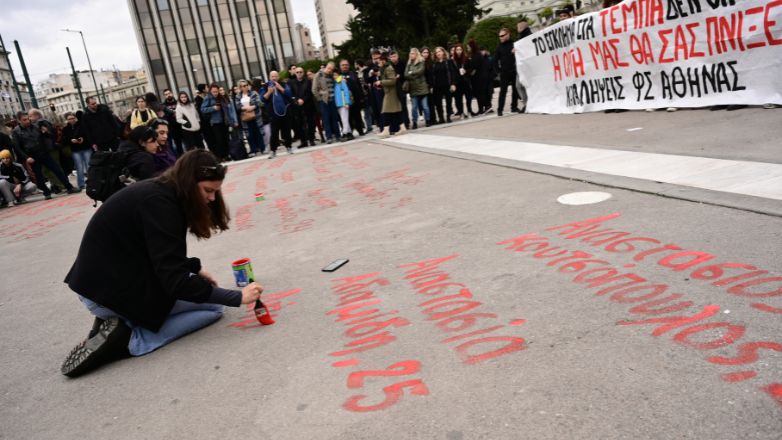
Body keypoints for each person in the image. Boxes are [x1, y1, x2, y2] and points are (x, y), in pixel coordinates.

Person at [60, 149, 264, 377]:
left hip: (103, 286)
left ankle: (119, 322)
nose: (212, 199)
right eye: (208, 190)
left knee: (206, 297)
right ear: (189, 182)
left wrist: (193, 269)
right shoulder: (162, 205)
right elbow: (175, 282)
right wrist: (238, 297)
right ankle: (131, 339)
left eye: (215, 192)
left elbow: (154, 251)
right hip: (108, 294)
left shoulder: (160, 192)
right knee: (214, 307)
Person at [12, 111, 80, 199]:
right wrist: (26, 157)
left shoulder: (36, 126)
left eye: (28, 119)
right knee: (39, 176)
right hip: (32, 156)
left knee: (58, 170)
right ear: (19, 121)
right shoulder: (16, 131)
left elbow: (49, 137)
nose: (28, 121)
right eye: (24, 120)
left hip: (43, 153)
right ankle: (46, 192)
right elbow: (17, 147)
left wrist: (46, 132)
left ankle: (69, 187)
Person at [200, 83, 238, 162]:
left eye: (216, 91)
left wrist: (232, 121)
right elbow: (203, 109)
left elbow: (227, 110)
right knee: (219, 140)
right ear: (210, 91)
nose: (215, 93)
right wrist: (213, 108)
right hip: (215, 122)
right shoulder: (208, 98)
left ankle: (227, 155)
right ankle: (220, 157)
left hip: (224, 122)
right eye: (213, 92)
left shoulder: (222, 98)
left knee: (226, 139)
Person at [264, 71, 294, 158]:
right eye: (272, 76)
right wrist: (269, 92)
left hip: (285, 111)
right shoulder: (266, 86)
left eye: (276, 76)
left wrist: (280, 88)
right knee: (274, 133)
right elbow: (262, 99)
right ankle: (273, 150)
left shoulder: (283, 84)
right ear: (269, 77)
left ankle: (289, 147)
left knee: (287, 131)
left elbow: (289, 94)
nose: (274, 78)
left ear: (278, 77)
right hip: (273, 114)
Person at [375, 53, 404, 137]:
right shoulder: (384, 68)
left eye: (379, 61)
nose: (378, 63)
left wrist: (381, 82)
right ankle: (402, 128)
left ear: (383, 61)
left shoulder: (389, 68)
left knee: (385, 111)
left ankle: (386, 130)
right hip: (389, 92)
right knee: (395, 112)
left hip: (391, 93)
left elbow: (392, 81)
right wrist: (380, 85)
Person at [494, 28, 521, 116]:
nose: (500, 38)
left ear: (508, 34)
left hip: (514, 70)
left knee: (515, 89)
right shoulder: (499, 47)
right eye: (499, 36)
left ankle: (514, 107)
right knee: (503, 91)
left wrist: (516, 52)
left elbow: (521, 54)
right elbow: (495, 61)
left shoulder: (514, 44)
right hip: (504, 72)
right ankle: (500, 109)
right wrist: (498, 72)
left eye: (502, 35)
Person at [312, 62, 342, 144]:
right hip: (324, 101)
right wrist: (320, 99)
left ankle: (338, 136)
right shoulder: (319, 75)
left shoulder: (332, 75)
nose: (330, 70)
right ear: (326, 67)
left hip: (333, 100)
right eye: (329, 68)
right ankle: (329, 137)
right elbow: (314, 89)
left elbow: (337, 83)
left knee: (334, 119)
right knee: (326, 119)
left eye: (331, 69)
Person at [234, 79, 265, 156]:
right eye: (244, 86)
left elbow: (260, 103)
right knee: (249, 135)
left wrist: (253, 107)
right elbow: (237, 106)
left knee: (258, 132)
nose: (246, 87)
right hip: (246, 117)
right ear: (240, 87)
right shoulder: (238, 96)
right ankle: (253, 150)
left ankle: (262, 148)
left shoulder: (253, 93)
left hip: (256, 116)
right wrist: (245, 108)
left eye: (247, 85)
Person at [62, 112, 91, 190]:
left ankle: (92, 182)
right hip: (75, 150)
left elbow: (87, 134)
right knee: (79, 167)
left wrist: (82, 139)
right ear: (67, 120)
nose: (71, 120)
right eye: (69, 119)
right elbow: (64, 140)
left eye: (72, 118)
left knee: (89, 166)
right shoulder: (65, 129)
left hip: (85, 147)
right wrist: (71, 140)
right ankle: (81, 184)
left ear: (75, 118)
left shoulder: (82, 125)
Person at [289, 67, 316, 148]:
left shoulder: (308, 82)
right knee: (300, 125)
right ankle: (303, 141)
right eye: (297, 72)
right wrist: (297, 100)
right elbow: (291, 94)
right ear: (295, 73)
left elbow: (310, 93)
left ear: (303, 73)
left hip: (308, 105)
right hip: (297, 107)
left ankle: (311, 139)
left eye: (301, 72)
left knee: (311, 123)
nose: (299, 73)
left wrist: (303, 100)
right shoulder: (292, 83)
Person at [405, 48, 431, 129]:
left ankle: (428, 120)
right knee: (414, 108)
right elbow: (405, 74)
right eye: (410, 53)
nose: (411, 55)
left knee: (425, 106)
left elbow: (420, 71)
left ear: (416, 54)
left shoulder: (421, 62)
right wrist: (412, 74)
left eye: (412, 53)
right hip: (413, 89)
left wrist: (411, 73)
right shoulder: (408, 64)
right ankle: (415, 122)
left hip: (422, 88)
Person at [339, 58, 365, 137]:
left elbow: (358, 85)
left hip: (355, 99)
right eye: (343, 65)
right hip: (345, 101)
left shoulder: (353, 74)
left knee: (357, 115)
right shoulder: (338, 76)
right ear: (340, 66)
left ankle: (360, 130)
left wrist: (361, 97)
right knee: (348, 117)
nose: (345, 66)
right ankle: (350, 132)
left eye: (346, 65)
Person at [431, 46, 456, 125]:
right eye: (436, 52)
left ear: (443, 52)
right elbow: (431, 75)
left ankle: (448, 116)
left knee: (449, 101)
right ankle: (441, 117)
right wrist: (431, 86)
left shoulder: (448, 61)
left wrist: (453, 84)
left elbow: (452, 73)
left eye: (439, 51)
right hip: (437, 86)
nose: (438, 53)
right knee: (438, 103)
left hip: (447, 85)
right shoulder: (434, 64)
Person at [469, 39, 493, 115]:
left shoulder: (476, 55)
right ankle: (483, 108)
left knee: (480, 94)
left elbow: (474, 67)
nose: (468, 48)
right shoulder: (477, 54)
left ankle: (483, 108)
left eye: (468, 47)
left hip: (479, 78)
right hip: (481, 77)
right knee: (481, 93)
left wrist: (471, 73)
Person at [450, 43, 474, 118]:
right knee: (458, 99)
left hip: (466, 81)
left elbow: (471, 69)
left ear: (462, 50)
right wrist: (453, 83)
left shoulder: (466, 58)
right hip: (457, 82)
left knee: (468, 98)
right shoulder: (452, 60)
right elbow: (451, 72)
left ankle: (469, 111)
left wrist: (466, 71)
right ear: (455, 51)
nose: (459, 51)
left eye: (460, 49)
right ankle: (461, 113)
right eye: (457, 50)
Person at [389, 50, 410, 129]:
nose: (393, 58)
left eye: (394, 56)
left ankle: (406, 122)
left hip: (402, 87)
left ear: (397, 56)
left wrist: (399, 76)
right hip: (394, 88)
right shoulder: (390, 66)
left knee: (403, 106)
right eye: (391, 57)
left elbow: (406, 74)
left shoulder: (403, 63)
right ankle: (400, 123)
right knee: (397, 107)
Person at [162, 89, 184, 155]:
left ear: (172, 93)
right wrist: (171, 114)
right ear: (164, 96)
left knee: (187, 142)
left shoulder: (178, 102)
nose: (168, 95)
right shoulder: (163, 105)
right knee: (178, 144)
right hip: (172, 127)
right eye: (166, 94)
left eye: (169, 93)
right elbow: (164, 116)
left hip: (182, 126)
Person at [333, 69, 353, 141]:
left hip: (343, 103)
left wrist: (347, 102)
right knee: (344, 119)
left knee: (344, 119)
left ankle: (344, 133)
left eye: (335, 75)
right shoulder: (335, 83)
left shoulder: (341, 81)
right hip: (338, 104)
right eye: (333, 75)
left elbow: (346, 92)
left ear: (338, 75)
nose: (334, 76)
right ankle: (349, 133)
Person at [194, 84, 215, 150]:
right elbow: (201, 111)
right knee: (209, 139)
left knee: (214, 138)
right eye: (207, 87)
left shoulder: (207, 97)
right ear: (203, 90)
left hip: (210, 121)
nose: (208, 88)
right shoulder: (198, 99)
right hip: (204, 123)